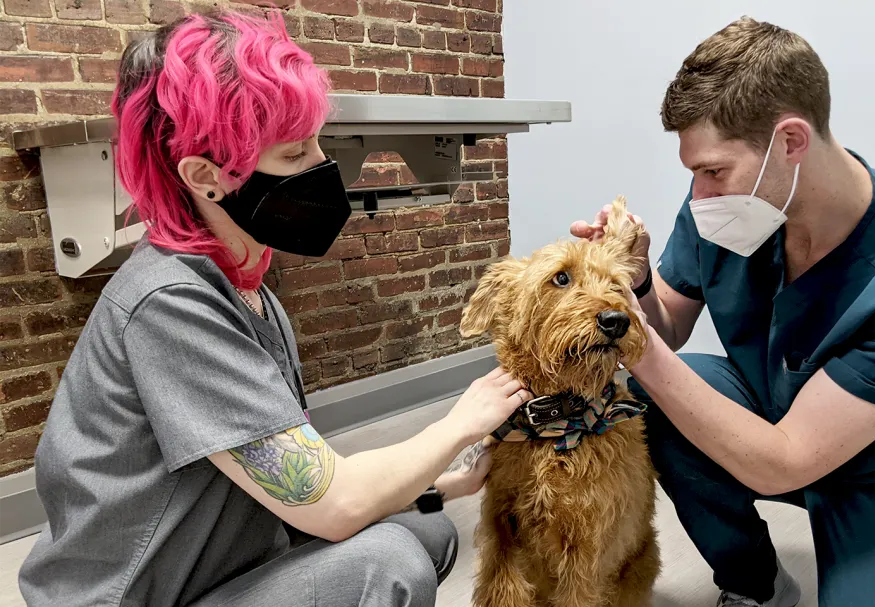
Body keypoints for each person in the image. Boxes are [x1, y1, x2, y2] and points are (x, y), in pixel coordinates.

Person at [18, 10, 532, 607]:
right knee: (386, 565)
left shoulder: (243, 285)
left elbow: (295, 475)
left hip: (223, 558)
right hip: (136, 596)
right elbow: (334, 505)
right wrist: (460, 422)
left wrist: (444, 484)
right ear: (206, 176)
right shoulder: (170, 306)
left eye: (318, 144)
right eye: (294, 156)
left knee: (427, 527)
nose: (321, 169)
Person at [572, 16, 875, 607]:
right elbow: (671, 328)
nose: (700, 195)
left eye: (713, 170)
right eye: (694, 173)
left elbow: (782, 464)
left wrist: (624, 336)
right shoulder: (735, 205)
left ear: (791, 141)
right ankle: (755, 584)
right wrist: (634, 282)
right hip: (766, 413)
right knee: (658, 400)